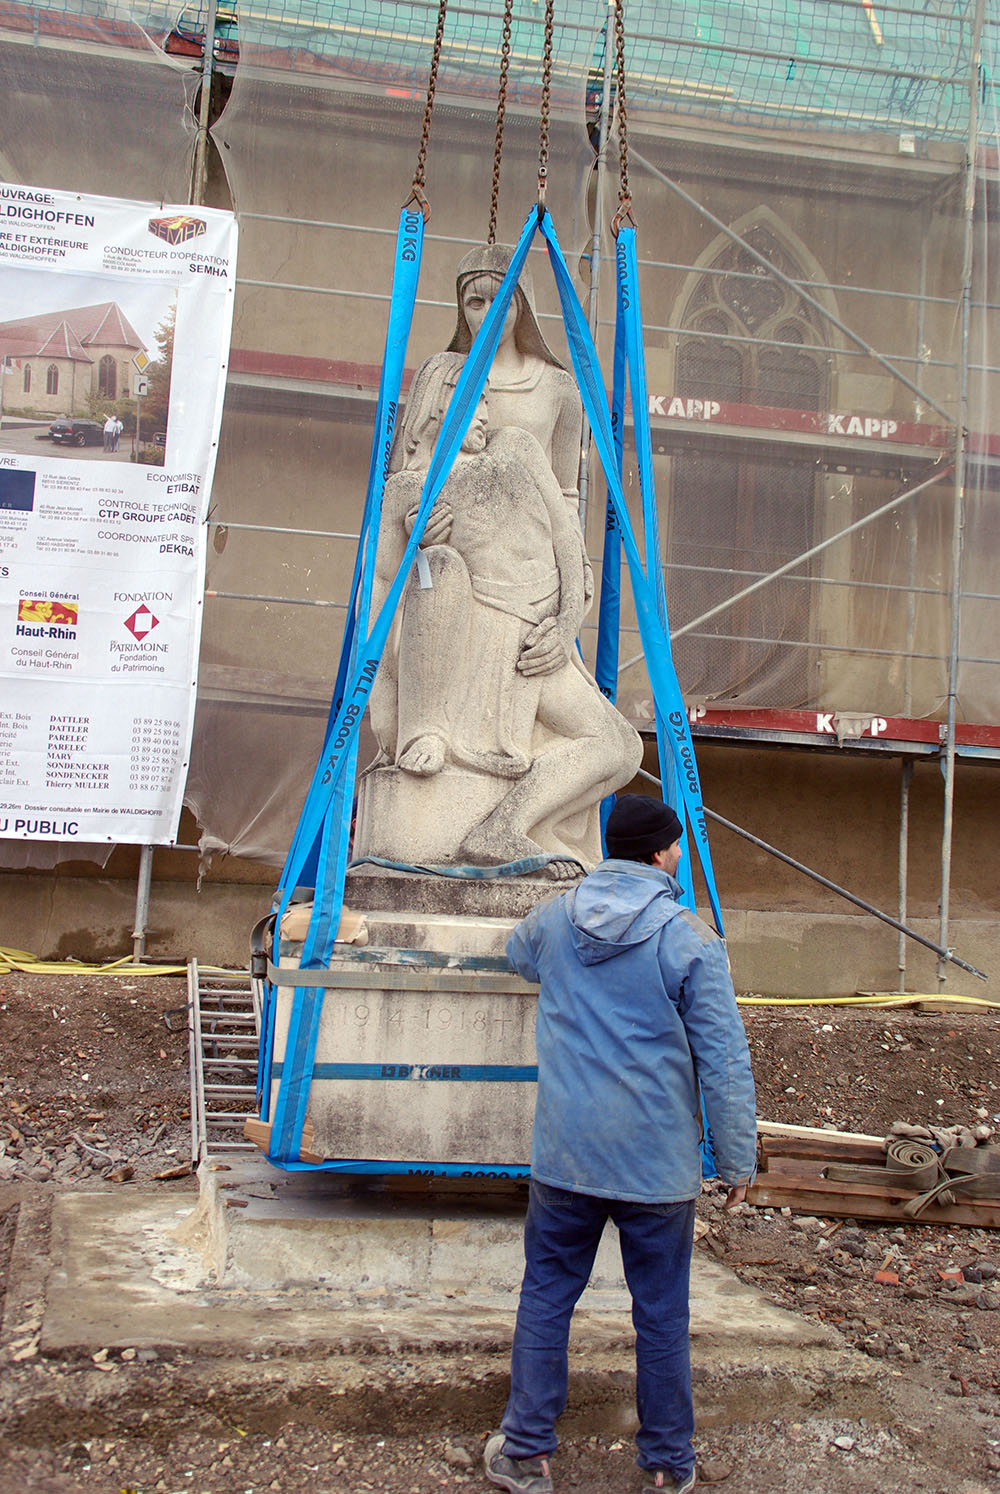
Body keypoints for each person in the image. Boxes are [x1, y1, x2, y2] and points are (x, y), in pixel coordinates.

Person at [486, 794, 757, 1494]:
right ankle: (666, 1464)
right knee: (661, 1310)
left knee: (547, 1293)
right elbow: (724, 1062)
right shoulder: (688, 937)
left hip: (567, 1157)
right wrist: (736, 1162)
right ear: (666, 852)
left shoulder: (556, 917)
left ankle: (525, 1454)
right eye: (676, 847)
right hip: (656, 1166)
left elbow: (518, 956)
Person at [368, 352, 640, 867]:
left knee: (618, 746)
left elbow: (565, 534)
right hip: (468, 633)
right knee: (439, 563)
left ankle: (503, 829)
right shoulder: (408, 490)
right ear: (437, 407)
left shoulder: (517, 448)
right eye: (474, 403)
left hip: (537, 636)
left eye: (488, 402)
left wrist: (564, 625)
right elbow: (381, 592)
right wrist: (413, 548)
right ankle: (430, 730)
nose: (486, 415)